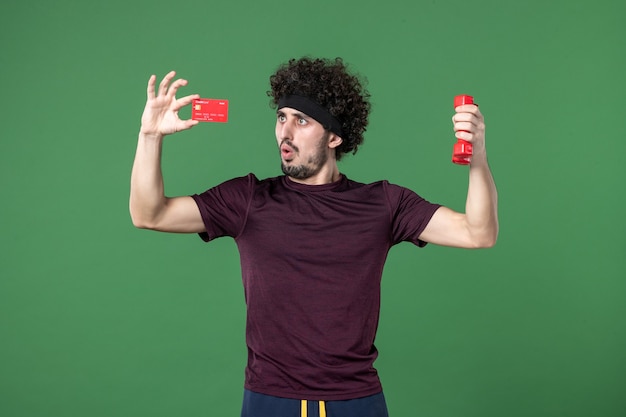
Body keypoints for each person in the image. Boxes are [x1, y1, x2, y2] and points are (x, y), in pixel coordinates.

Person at [130, 57, 498, 417]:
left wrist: (477, 155)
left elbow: (478, 233)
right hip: (269, 398)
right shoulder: (249, 200)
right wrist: (149, 137)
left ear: (334, 136)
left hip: (356, 400)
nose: (284, 134)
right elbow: (149, 213)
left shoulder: (383, 203)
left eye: (301, 121)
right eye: (281, 118)